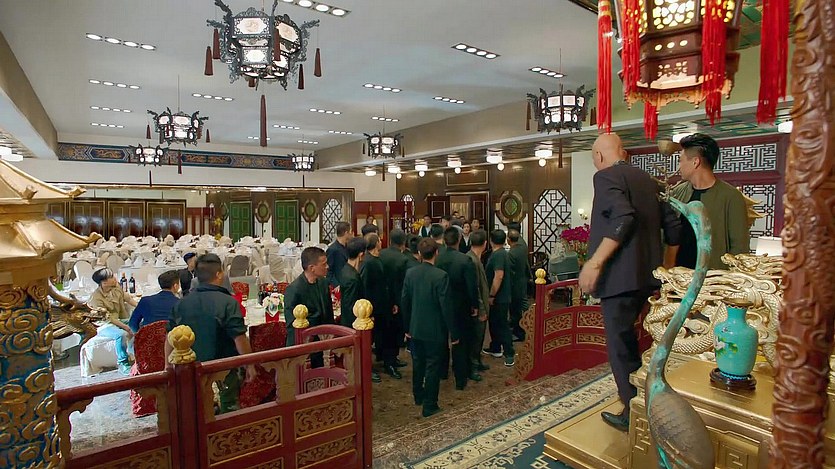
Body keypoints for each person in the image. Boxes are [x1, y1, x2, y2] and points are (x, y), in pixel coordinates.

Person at [578, 133, 681, 432]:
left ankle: (633, 410)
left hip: (618, 279)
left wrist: (595, 263)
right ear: (623, 153)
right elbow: (674, 227)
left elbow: (624, 216)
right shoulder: (648, 181)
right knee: (634, 343)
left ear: (599, 157)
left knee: (620, 346)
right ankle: (642, 401)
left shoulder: (605, 177)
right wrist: (666, 268)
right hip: (647, 278)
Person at [166, 254, 255, 412]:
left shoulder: (181, 303)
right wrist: (250, 364)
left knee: (197, 407)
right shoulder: (228, 302)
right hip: (224, 367)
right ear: (219, 274)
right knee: (229, 406)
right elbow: (239, 338)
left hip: (191, 368)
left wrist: (168, 367)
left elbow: (169, 338)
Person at [670, 133, 750, 270]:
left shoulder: (731, 196)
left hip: (712, 276)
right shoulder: (677, 193)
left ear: (695, 162)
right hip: (678, 275)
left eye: (680, 160)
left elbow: (739, 247)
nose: (679, 166)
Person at [402, 239, 457, 418]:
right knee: (433, 367)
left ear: (419, 254)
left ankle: (418, 395)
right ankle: (430, 405)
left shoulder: (410, 273)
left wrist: (406, 327)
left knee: (417, 363)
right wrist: (454, 332)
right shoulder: (441, 276)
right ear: (436, 253)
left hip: (415, 327)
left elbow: (405, 301)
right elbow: (446, 307)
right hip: (435, 330)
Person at [435, 227, 480, 388]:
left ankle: (442, 371)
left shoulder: (437, 259)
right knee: (461, 341)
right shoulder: (465, 260)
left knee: (441, 338)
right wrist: (475, 305)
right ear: (459, 240)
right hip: (460, 305)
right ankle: (460, 377)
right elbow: (471, 286)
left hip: (440, 304)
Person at [338, 237, 381, 384]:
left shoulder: (346, 269)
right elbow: (351, 304)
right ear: (361, 255)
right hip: (354, 321)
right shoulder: (352, 278)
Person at [284, 247, 335, 370]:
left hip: (322, 342)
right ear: (312, 268)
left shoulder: (323, 283)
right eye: (324, 264)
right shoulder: (294, 289)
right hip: (303, 344)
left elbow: (328, 312)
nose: (327, 267)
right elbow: (291, 324)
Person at [361, 233, 401, 379]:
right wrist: (369, 311)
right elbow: (366, 287)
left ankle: (389, 361)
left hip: (385, 305)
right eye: (378, 240)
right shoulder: (368, 263)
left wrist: (392, 302)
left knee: (387, 335)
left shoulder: (379, 259)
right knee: (373, 338)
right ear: (376, 243)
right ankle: (371, 367)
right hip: (374, 307)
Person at [89, 268, 137, 375]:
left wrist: (141, 308)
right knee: (121, 334)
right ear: (104, 282)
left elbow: (128, 299)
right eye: (111, 277)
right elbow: (108, 318)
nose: (115, 278)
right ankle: (122, 362)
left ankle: (135, 354)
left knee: (138, 323)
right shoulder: (96, 298)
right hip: (104, 324)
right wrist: (125, 327)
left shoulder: (116, 288)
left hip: (119, 319)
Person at [482, 230, 515, 367]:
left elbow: (499, 276)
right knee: (494, 323)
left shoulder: (498, 255)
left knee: (502, 325)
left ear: (491, 240)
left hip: (499, 297)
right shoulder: (499, 253)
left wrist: (491, 294)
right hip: (500, 296)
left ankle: (509, 353)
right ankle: (495, 347)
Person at [379, 229, 410, 369]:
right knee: (395, 331)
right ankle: (391, 361)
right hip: (397, 300)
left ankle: (388, 357)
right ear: (403, 242)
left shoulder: (381, 254)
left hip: (383, 298)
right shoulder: (403, 259)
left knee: (385, 330)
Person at [466, 230, 491, 374]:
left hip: (480, 304)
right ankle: (473, 365)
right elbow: (475, 287)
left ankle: (477, 360)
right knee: (475, 337)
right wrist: (481, 309)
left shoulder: (474, 257)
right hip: (477, 307)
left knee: (479, 337)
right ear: (485, 244)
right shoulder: (472, 260)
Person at [507, 228, 531, 341]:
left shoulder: (511, 254)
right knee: (522, 304)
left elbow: (510, 272)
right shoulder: (522, 248)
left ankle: (518, 332)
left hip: (515, 284)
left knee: (515, 309)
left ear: (508, 240)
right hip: (522, 280)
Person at [326, 221, 352, 288]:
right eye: (350, 232)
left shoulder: (348, 247)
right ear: (346, 233)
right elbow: (329, 271)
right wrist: (336, 285)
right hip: (338, 285)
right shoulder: (332, 249)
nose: (351, 234)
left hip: (347, 283)